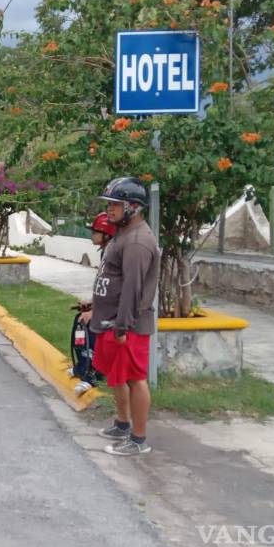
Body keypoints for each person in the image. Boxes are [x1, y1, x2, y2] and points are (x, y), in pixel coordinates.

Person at [89, 177, 160, 456]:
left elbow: (133, 287)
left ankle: (138, 439)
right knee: (117, 377)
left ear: (133, 206)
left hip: (128, 324)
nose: (109, 209)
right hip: (112, 320)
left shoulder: (138, 242)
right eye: (109, 204)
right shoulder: (123, 234)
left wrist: (123, 325)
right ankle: (122, 423)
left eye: (115, 205)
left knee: (134, 378)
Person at [72, 212, 118, 396]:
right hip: (107, 305)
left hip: (116, 311)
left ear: (107, 234)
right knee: (80, 324)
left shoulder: (113, 254)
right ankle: (82, 366)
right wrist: (91, 303)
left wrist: (96, 311)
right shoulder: (106, 252)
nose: (92, 234)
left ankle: (93, 374)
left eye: (96, 231)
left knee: (92, 327)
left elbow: (114, 289)